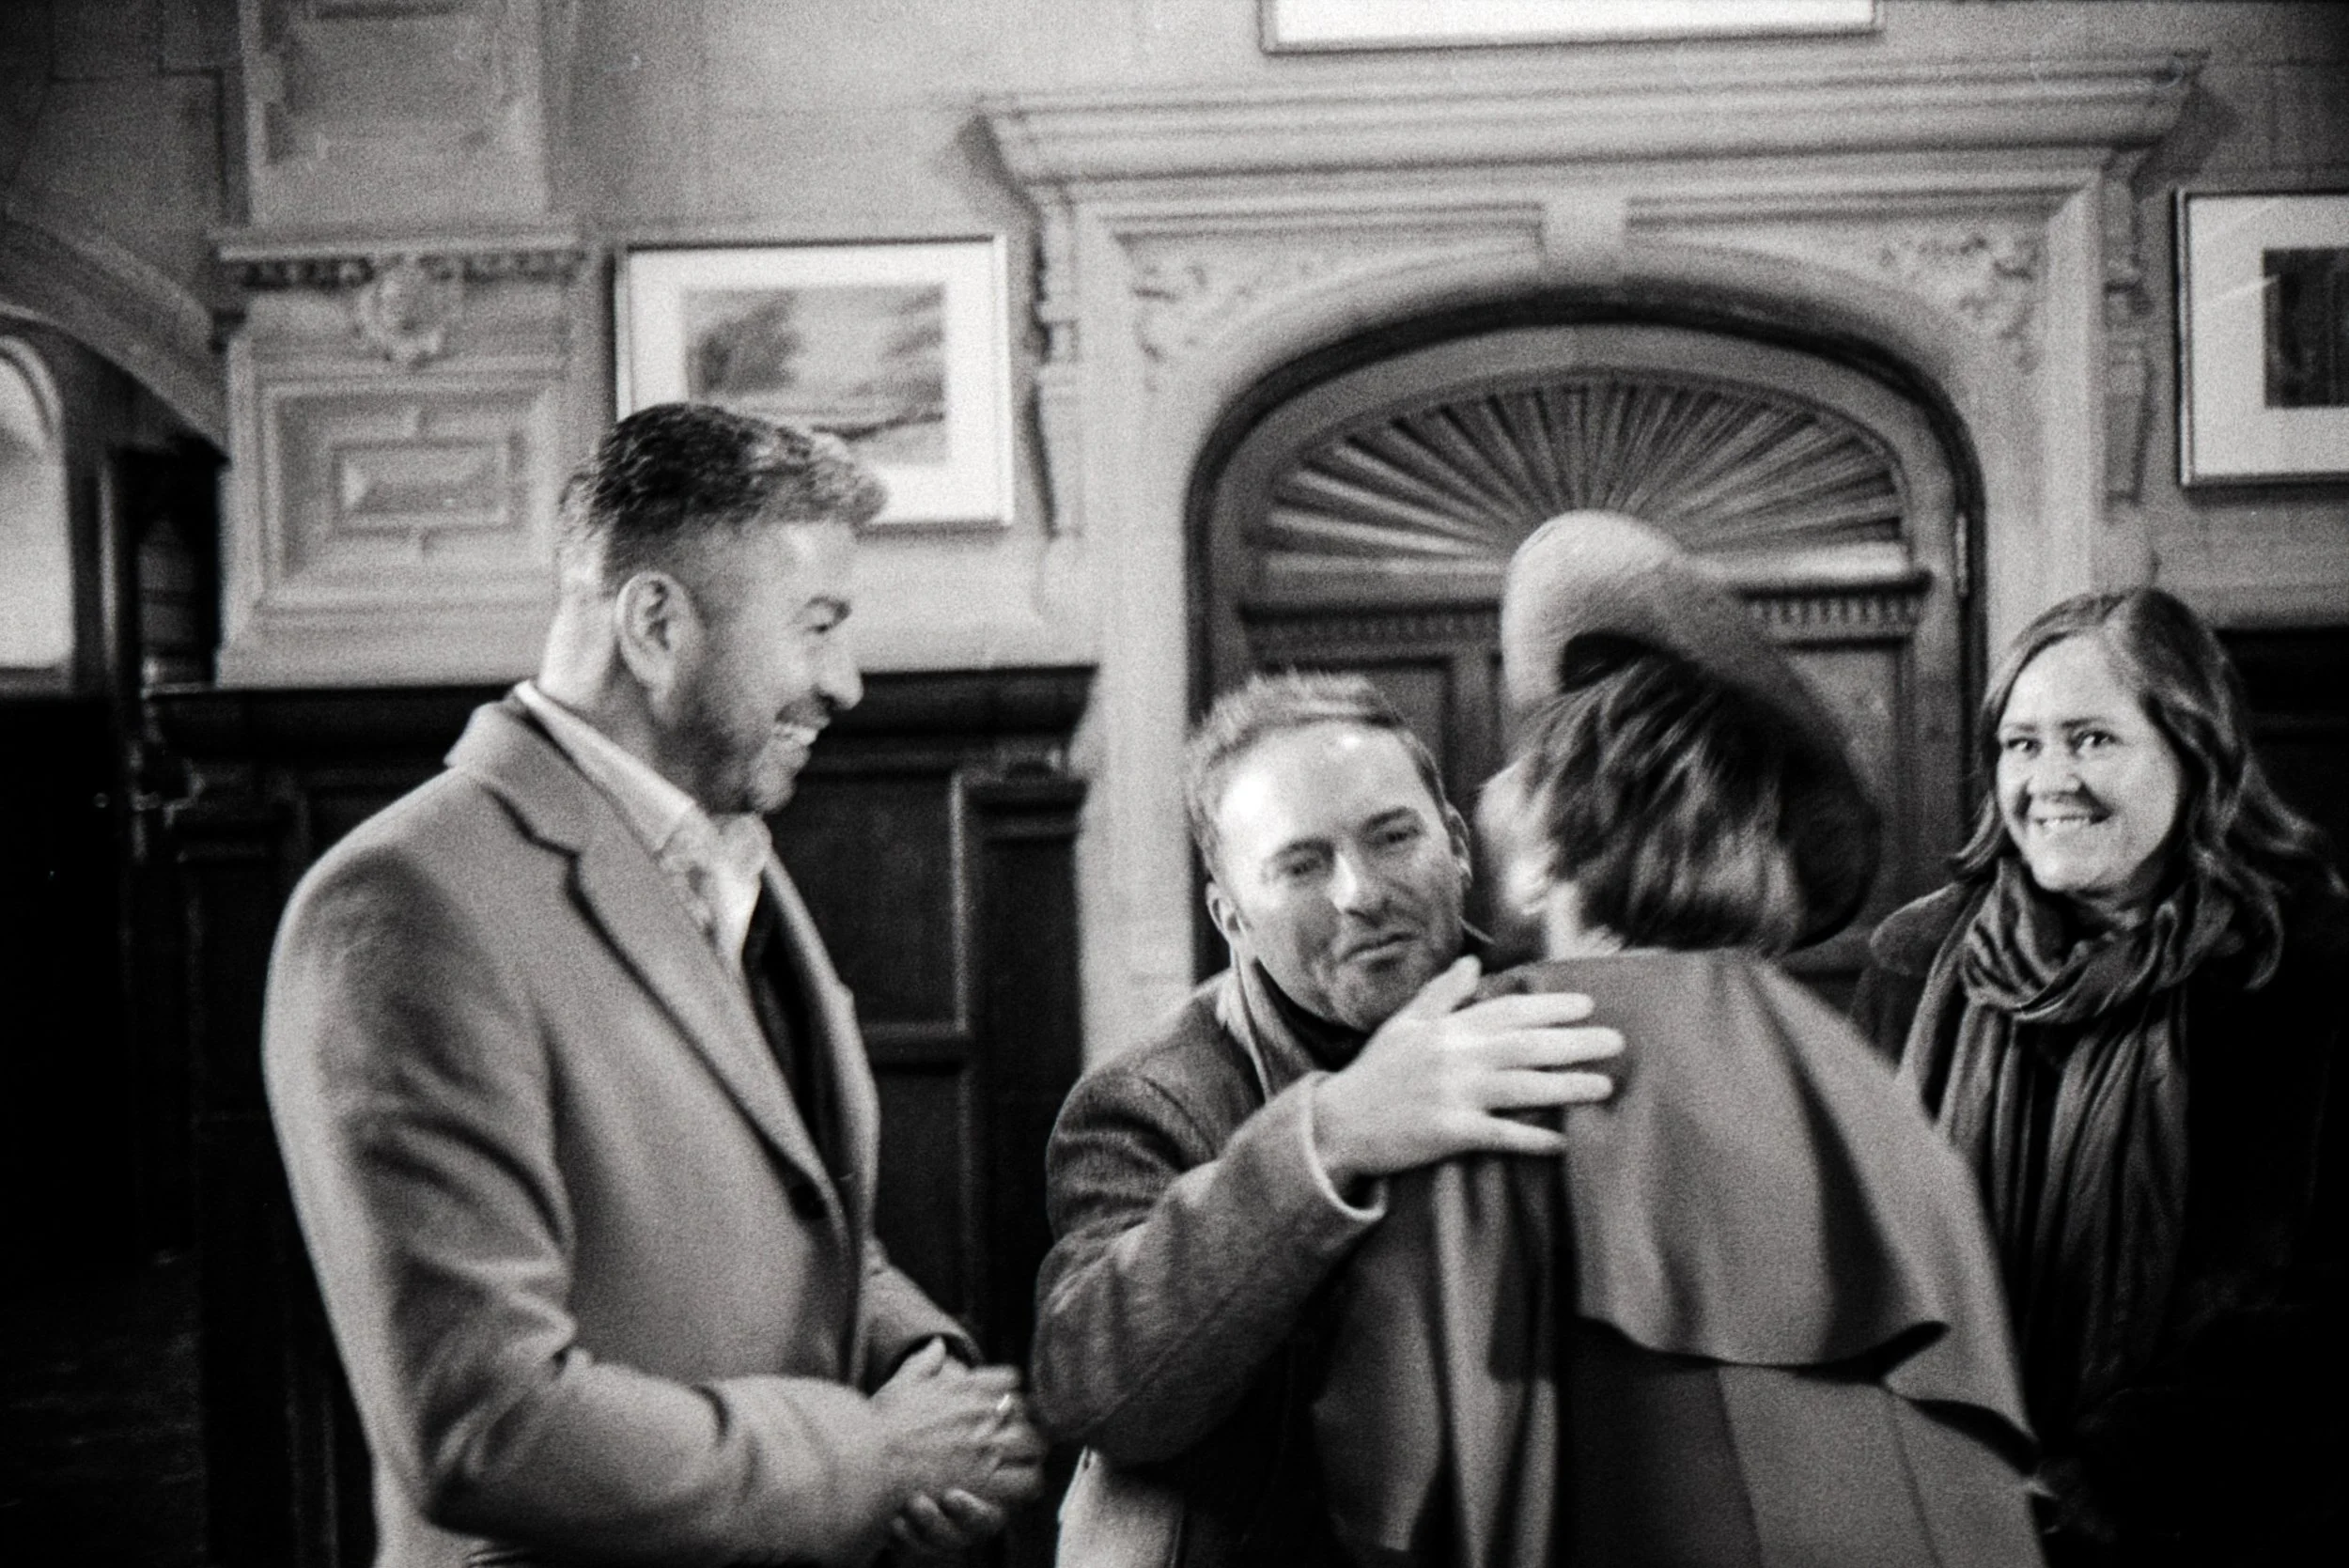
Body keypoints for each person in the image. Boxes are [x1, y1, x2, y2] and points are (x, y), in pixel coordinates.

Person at [263, 404, 1045, 1568]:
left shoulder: (725, 847)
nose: (848, 682)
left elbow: (783, 1208)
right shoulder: (402, 902)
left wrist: (913, 1364)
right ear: (656, 623)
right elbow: (483, 1420)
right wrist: (869, 1454)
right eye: (817, 625)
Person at [1311, 512, 2042, 1568]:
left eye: (1522, 765)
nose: (1486, 795)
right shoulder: (1859, 1084)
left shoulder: (1499, 1051)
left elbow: (1395, 1468)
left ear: (1555, 832)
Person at [1030, 671, 1626, 1566]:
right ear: (1229, 911)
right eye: (1301, 865)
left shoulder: (1557, 1022)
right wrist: (1331, 1135)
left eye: (1392, 837)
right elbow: (1092, 1385)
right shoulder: (1149, 1099)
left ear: (1457, 844)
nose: (1360, 892)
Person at [1853, 587, 2348, 1567]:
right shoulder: (1913, 964)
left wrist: (2101, 1477)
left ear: (2194, 751)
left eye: (2089, 739)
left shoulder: (2299, 968)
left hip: (2215, 1510)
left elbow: (2329, 1296)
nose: (2047, 779)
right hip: (1940, 1509)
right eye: (2020, 745)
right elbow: (1852, 1241)